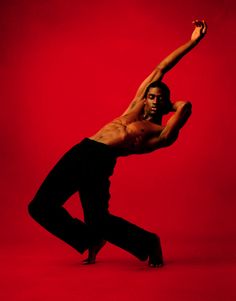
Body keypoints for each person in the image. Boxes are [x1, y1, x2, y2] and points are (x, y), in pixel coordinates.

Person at [28, 20, 207, 267]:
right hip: (82, 149)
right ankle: (89, 240)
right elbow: (161, 68)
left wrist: (171, 104)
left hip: (100, 160)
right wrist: (192, 42)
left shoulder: (160, 133)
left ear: (166, 104)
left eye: (160, 99)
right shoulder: (134, 107)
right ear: (145, 99)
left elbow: (185, 106)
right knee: (39, 207)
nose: (154, 100)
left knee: (99, 220)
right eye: (151, 96)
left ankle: (149, 243)